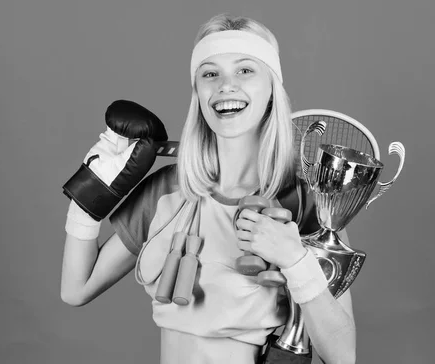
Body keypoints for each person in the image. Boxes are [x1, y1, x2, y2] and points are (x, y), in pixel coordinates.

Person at [60, 14, 357, 364]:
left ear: (272, 88)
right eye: (210, 73)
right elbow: (75, 290)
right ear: (198, 93)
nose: (225, 86)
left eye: (246, 70)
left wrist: (295, 259)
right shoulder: (168, 189)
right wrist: (90, 193)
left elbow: (341, 356)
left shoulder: (303, 203)